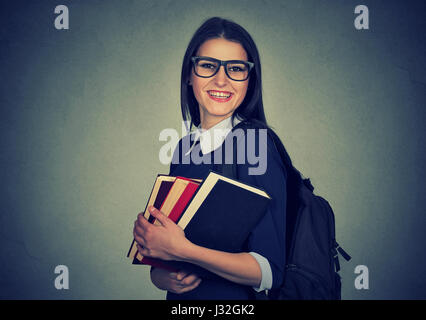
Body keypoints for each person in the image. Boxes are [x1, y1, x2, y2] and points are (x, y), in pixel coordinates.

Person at [133, 17, 290, 300]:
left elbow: (269, 271)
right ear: (189, 74)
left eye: (236, 69)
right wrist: (161, 272)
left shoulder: (256, 145)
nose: (222, 80)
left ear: (249, 79)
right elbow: (165, 263)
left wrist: (184, 251)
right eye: (208, 65)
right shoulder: (184, 147)